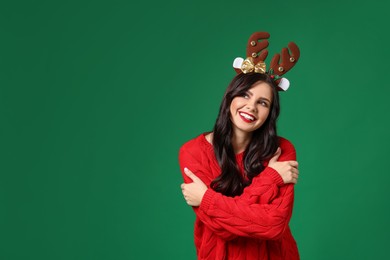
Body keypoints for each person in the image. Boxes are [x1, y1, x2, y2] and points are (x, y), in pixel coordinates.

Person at [179, 32, 301, 260]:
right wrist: (272, 178)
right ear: (230, 98)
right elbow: (221, 229)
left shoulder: (283, 150)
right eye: (244, 95)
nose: (251, 107)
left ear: (270, 113)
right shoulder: (193, 153)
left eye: (262, 103)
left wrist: (207, 199)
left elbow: (274, 225)